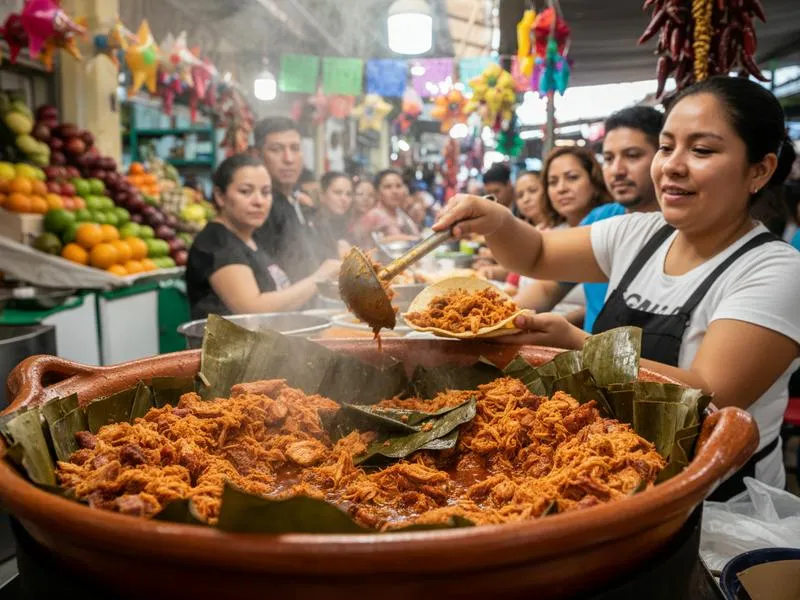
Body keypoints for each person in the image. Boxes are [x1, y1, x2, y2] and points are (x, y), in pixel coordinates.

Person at [434, 76, 800, 498]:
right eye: (666, 147)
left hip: (715, 502)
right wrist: (495, 219)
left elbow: (708, 394)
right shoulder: (637, 234)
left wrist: (579, 345)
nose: (672, 165)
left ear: (760, 169)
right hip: (610, 475)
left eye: (701, 150)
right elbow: (534, 254)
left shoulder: (774, 269)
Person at [515, 106, 664, 333]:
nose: (617, 170)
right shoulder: (599, 220)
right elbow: (548, 287)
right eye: (609, 158)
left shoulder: (683, 229)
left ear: (664, 156)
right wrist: (498, 320)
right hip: (589, 362)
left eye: (632, 156)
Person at [185, 154, 340, 320]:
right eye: (245, 191)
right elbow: (253, 309)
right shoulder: (217, 243)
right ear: (220, 196)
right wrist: (318, 278)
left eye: (266, 192)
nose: (259, 201)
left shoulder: (251, 237)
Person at [253, 116, 322, 282]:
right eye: (276, 149)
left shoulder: (296, 200)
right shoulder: (259, 208)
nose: (288, 159)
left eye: (295, 148)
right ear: (258, 155)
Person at [352, 169, 420, 247]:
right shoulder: (373, 215)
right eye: (388, 187)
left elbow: (416, 236)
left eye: (398, 186)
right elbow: (356, 242)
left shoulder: (399, 213)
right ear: (378, 192)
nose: (395, 191)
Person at [316, 171, 353, 259]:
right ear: (322, 195)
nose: (344, 199)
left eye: (348, 194)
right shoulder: (312, 225)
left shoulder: (347, 224)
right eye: (337, 192)